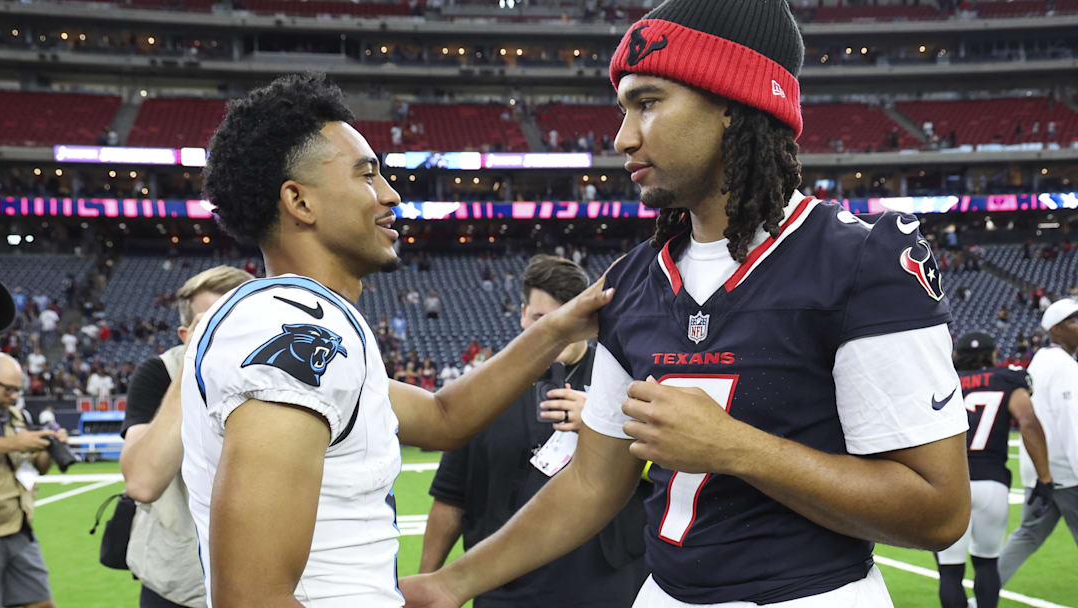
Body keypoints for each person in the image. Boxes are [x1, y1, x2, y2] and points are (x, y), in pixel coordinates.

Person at [401, 2, 971, 606]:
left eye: (648, 102)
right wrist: (449, 583)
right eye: (623, 109)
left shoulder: (862, 261)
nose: (622, 137)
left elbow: (937, 512)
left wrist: (736, 448)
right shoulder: (636, 279)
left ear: (734, 103)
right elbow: (593, 484)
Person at [184, 72, 611, 607]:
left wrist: (557, 327)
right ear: (299, 201)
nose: (390, 193)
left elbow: (441, 419)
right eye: (367, 176)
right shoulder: (292, 329)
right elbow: (251, 598)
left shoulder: (310, 320)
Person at [419, 255, 649, 608]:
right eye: (543, 319)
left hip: (608, 584)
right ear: (523, 315)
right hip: (504, 587)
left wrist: (608, 421)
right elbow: (451, 498)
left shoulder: (625, 384)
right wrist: (428, 577)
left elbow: (675, 471)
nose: (557, 332)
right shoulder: (481, 392)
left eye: (567, 318)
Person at [119, 265, 253, 608]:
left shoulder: (278, 374)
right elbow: (142, 483)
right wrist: (193, 368)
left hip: (262, 575)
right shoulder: (159, 373)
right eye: (212, 322)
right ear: (185, 334)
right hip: (177, 580)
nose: (229, 332)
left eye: (240, 318)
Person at [935, 332, 1052, 608]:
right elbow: (1028, 421)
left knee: (950, 573)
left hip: (949, 485)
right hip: (992, 483)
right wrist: (1044, 478)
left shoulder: (943, 382)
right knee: (987, 566)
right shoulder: (1008, 379)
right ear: (994, 354)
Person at [0, 278, 69, 608]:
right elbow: (13, 447)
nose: (13, 396)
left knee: (42, 603)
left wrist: (46, 448)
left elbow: (33, 468)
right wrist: (14, 443)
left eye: (16, 390)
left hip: (19, 528)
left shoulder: (12, 414)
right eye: (7, 389)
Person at [998, 298, 1078, 584]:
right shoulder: (1065, 366)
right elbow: (1072, 424)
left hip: (1040, 472)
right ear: (1056, 329)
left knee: (1027, 536)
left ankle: (983, 597)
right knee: (1027, 535)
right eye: (1073, 321)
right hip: (1068, 473)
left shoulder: (1040, 360)